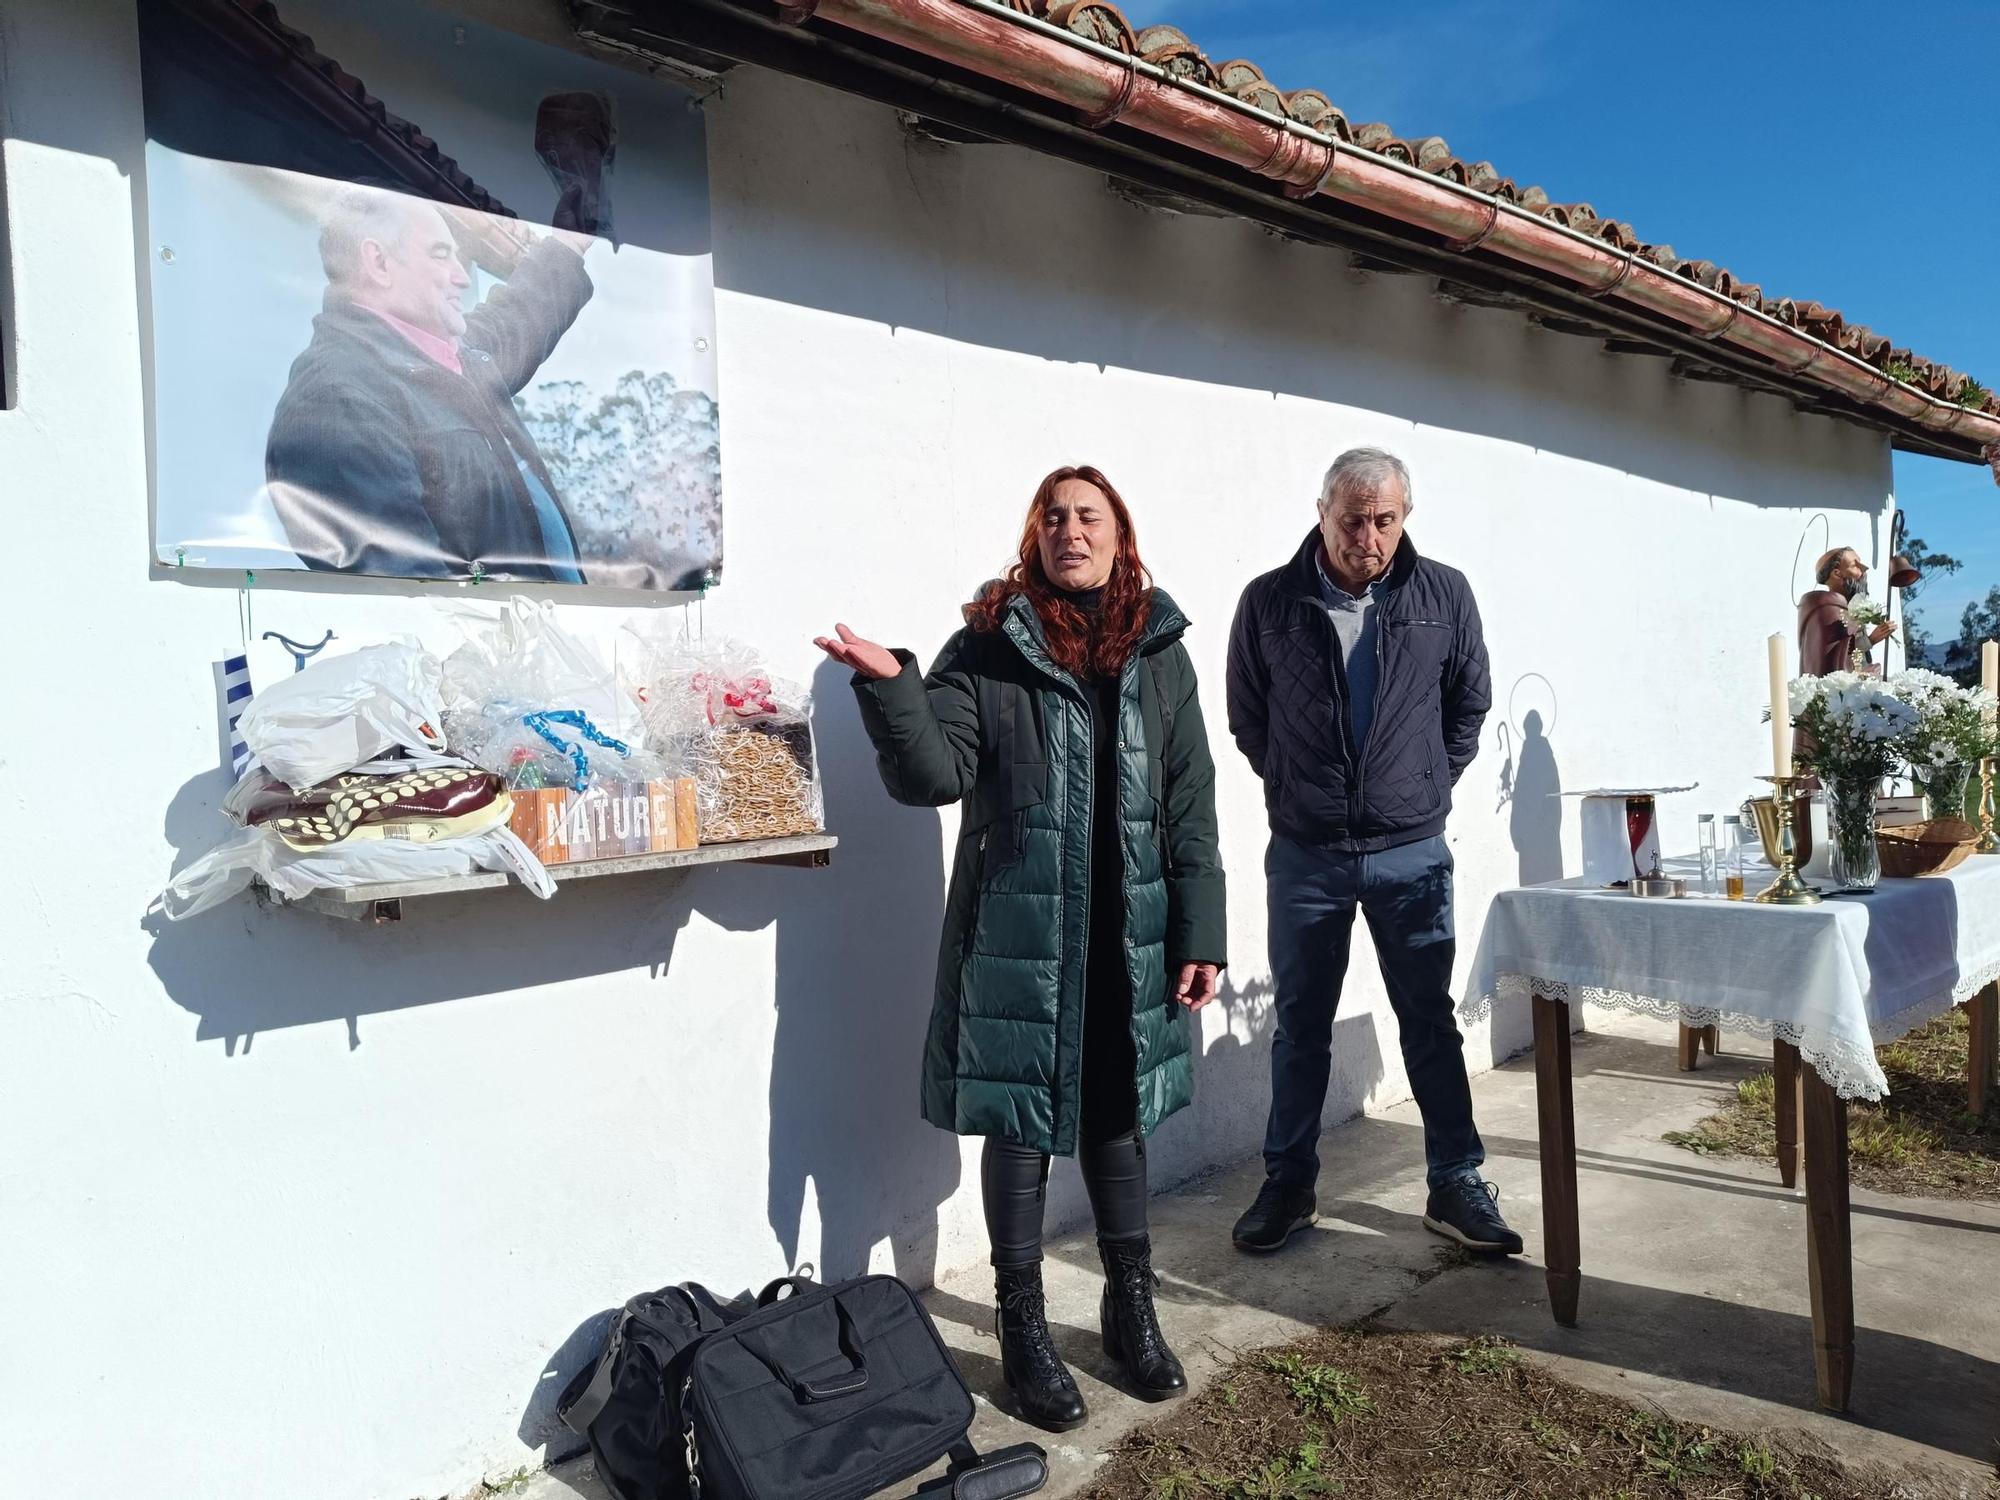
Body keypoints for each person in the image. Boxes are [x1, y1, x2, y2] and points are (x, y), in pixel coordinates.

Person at [815, 466, 1227, 1432]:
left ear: (1121, 534)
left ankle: (1130, 1309)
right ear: (1032, 534)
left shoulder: (1160, 652)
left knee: (1118, 1118)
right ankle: (1025, 1331)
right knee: (1022, 1122)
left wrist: (1201, 927)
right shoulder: (990, 646)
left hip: (1132, 930)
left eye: (1089, 516)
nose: (1069, 530)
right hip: (1023, 935)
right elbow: (935, 777)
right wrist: (895, 690)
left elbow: (1190, 798)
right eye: (1053, 516)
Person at [1223, 447, 1521, 1257]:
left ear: (1405, 516)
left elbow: (1469, 703)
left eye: (1384, 519)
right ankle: (1289, 1184)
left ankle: (1455, 1181)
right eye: (1352, 519)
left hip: (1411, 852)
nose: (1369, 536)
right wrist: (1299, 784)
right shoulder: (1269, 603)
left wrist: (1423, 784)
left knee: (1429, 1021)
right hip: (1307, 855)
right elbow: (1250, 718)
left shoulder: (1444, 594)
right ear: (1321, 512)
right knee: (1300, 1026)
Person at [264, 184, 595, 582]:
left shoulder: (453, 362)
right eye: (441, 254)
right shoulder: (335, 400)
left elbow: (517, 319)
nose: (460, 277)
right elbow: (407, 593)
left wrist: (567, 245)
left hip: (555, 633)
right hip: (505, 642)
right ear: (379, 263)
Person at [1798, 547, 1895, 677]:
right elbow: (1833, 652)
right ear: (1837, 573)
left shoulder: (1849, 606)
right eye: (1855, 565)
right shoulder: (1829, 607)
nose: (1864, 569)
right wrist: (1871, 640)